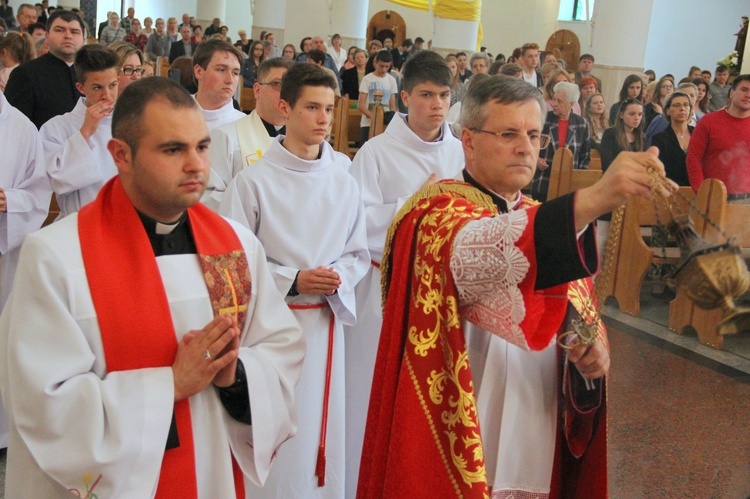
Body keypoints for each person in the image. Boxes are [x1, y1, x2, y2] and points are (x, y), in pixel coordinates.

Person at [357, 75, 666, 498]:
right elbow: (486, 252)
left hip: (534, 417)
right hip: (464, 418)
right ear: (468, 140)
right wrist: (597, 198)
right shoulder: (433, 213)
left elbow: (572, 308)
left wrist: (590, 352)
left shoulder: (547, 219)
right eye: (508, 133)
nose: (525, 147)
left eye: (534, 134)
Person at [0, 76, 304, 497]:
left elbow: (280, 348)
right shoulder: (56, 257)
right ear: (121, 155)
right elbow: (43, 404)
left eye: (201, 146)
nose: (198, 165)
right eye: (173, 149)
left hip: (208, 471)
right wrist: (171, 386)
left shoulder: (236, 246)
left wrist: (237, 378)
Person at [219, 62, 369, 498]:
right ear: (284, 108)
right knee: (276, 435)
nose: (324, 119)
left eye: (329, 108)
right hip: (271, 331)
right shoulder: (252, 182)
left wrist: (338, 275)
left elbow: (358, 253)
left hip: (325, 326)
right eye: (312, 108)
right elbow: (233, 263)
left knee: (319, 436)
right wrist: (293, 278)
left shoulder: (344, 182)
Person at [345, 50, 465, 498]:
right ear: (405, 97)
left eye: (444, 95)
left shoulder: (461, 150)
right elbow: (354, 221)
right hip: (385, 286)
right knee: (373, 389)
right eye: (426, 95)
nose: (436, 105)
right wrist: (415, 205)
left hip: (443, 291)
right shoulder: (377, 152)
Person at [40, 44, 119, 218]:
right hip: (76, 225)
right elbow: (57, 181)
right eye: (97, 87)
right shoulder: (57, 127)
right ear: (81, 88)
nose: (107, 95)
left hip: (123, 223)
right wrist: (84, 132)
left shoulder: (132, 123)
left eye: (112, 85)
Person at [206, 57, 294, 210]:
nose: (285, 93)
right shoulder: (226, 137)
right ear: (257, 90)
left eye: (291, 87)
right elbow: (210, 198)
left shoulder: (305, 144)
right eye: (277, 84)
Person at [5, 9, 84, 129]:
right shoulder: (25, 73)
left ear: (83, 39)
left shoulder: (92, 72)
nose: (68, 36)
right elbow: (13, 127)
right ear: (47, 37)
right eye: (59, 30)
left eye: (75, 32)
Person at [687, 74, 750, 199]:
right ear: (731, 93)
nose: (748, 95)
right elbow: (693, 158)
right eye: (744, 90)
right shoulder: (709, 121)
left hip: (746, 199)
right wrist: (701, 192)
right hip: (712, 195)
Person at [597, 98, 644, 254]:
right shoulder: (611, 134)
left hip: (632, 192)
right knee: (602, 237)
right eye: (632, 114)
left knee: (624, 239)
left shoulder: (641, 137)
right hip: (611, 188)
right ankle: (594, 277)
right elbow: (607, 164)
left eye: (639, 114)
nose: (636, 118)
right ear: (622, 115)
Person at [532, 80, 590, 202]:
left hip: (569, 184)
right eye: (554, 99)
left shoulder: (581, 123)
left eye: (559, 101)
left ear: (571, 104)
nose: (554, 104)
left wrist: (578, 179)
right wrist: (536, 159)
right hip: (543, 181)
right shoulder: (544, 118)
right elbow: (530, 144)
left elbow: (585, 156)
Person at [192, 39, 244, 130]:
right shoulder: (172, 114)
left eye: (235, 73)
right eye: (221, 70)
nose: (230, 80)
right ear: (199, 72)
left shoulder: (246, 126)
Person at [652, 91, 693, 186]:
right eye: (676, 105)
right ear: (668, 111)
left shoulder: (698, 134)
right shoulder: (660, 138)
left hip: (696, 189)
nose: (682, 108)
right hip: (670, 189)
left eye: (686, 105)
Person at [358, 49, 397, 144]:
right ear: (375, 63)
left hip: (385, 124)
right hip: (368, 123)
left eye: (386, 66)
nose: (384, 69)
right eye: (381, 66)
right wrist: (375, 117)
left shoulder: (391, 80)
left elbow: (392, 105)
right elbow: (361, 105)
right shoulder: (367, 79)